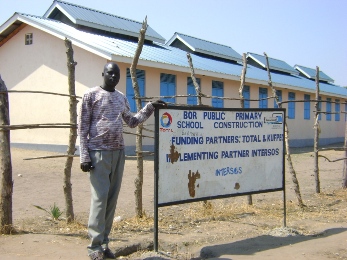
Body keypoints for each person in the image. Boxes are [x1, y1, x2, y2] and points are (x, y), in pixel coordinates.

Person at [78, 61, 166, 260]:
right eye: (110, 74)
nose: (113, 77)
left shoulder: (121, 98)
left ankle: (104, 244)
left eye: (116, 75)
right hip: (98, 153)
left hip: (118, 153)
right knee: (99, 200)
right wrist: (84, 155)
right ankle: (94, 247)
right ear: (103, 73)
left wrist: (150, 107)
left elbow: (132, 121)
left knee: (111, 200)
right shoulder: (90, 96)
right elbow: (82, 128)